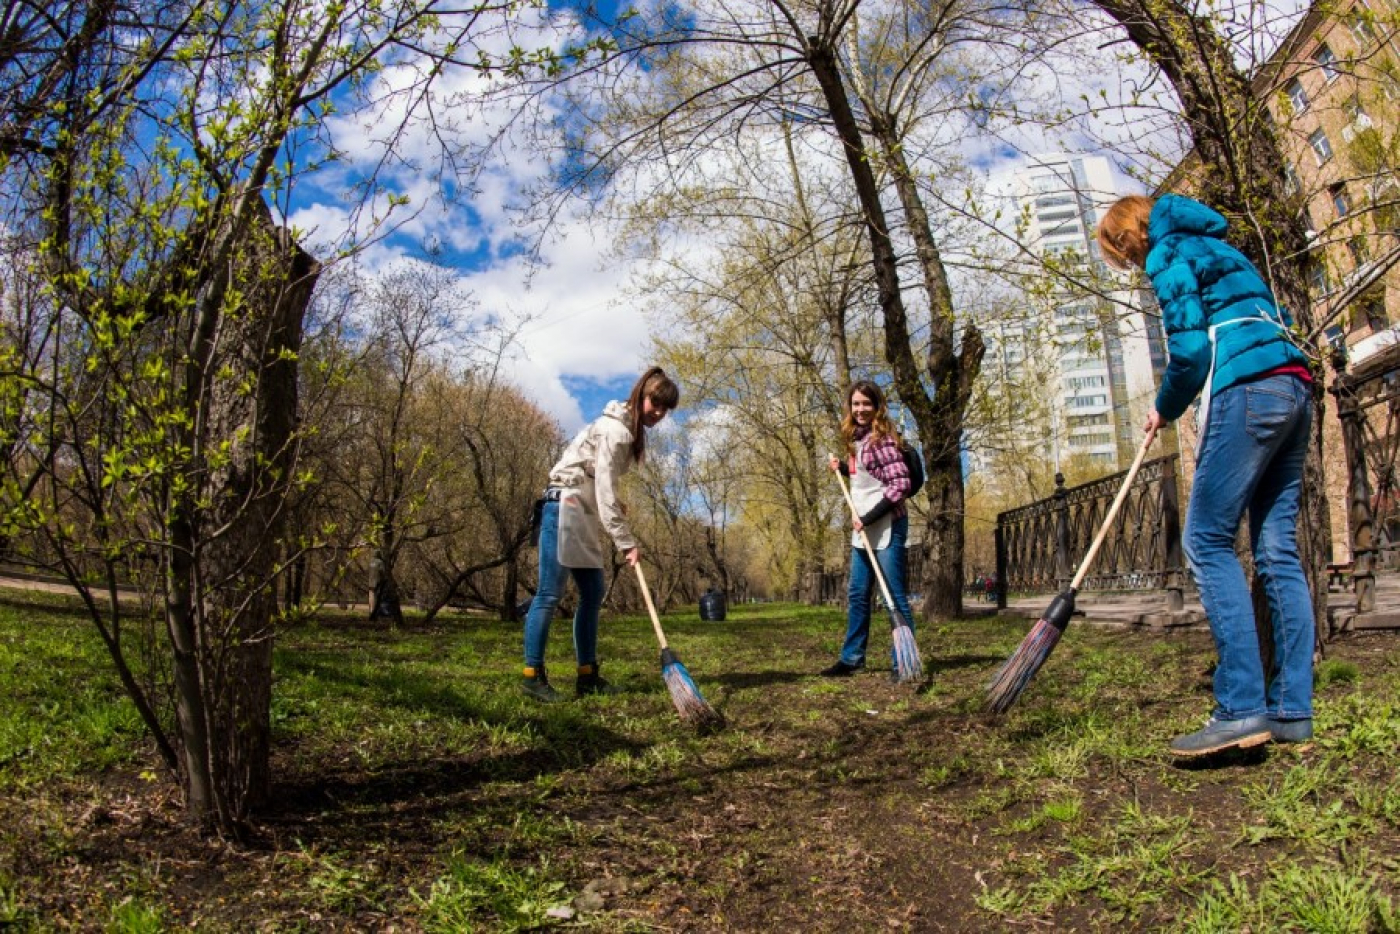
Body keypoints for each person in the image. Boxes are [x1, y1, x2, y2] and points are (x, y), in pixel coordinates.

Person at [1098, 193, 1315, 757]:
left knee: (1206, 540)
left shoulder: (1167, 254)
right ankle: (1292, 710)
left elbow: (1192, 352)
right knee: (1276, 549)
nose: (1127, 265)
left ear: (1129, 237)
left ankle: (1241, 709)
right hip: (1293, 386)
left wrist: (1165, 407)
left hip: (1246, 389)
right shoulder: (1220, 247)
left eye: (1119, 253)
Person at [521, 366, 680, 702]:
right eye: (657, 403)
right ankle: (532, 676)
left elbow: (596, 479)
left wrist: (614, 504)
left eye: (666, 409)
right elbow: (602, 488)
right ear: (641, 396)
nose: (660, 413)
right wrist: (626, 543)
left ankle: (587, 675)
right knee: (549, 594)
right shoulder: (616, 432)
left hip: (582, 511)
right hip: (562, 509)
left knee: (592, 592)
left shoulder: (624, 430)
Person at [821, 379, 916, 678]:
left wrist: (869, 518)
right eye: (856, 403)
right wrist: (843, 472)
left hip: (887, 524)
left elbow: (901, 485)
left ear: (877, 406)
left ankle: (904, 662)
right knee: (859, 593)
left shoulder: (883, 439)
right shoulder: (858, 439)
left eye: (866, 403)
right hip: (863, 526)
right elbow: (869, 482)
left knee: (893, 595)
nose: (861, 409)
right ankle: (852, 659)